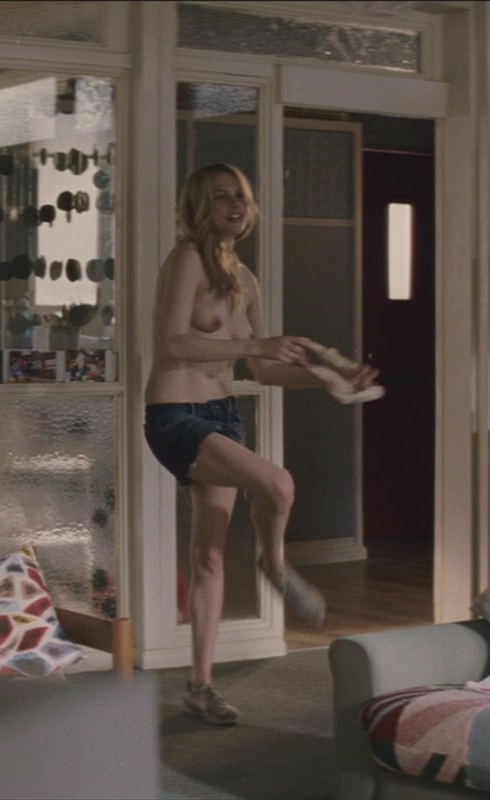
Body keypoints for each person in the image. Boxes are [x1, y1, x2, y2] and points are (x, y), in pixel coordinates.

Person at [144, 163, 379, 726]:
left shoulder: (244, 279)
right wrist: (258, 343)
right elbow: (171, 344)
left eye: (242, 197)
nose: (236, 205)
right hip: (176, 416)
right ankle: (274, 564)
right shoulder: (186, 259)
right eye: (221, 197)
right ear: (199, 207)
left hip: (223, 416)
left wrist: (330, 378)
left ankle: (200, 686)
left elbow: (267, 370)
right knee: (277, 482)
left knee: (208, 554)